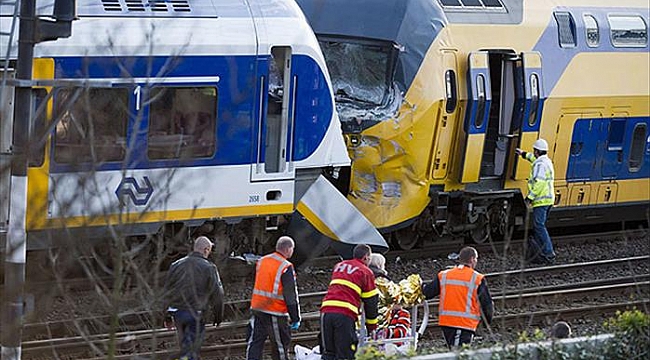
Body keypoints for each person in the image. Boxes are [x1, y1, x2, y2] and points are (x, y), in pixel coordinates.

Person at [163, 236, 224, 360]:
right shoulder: (209, 267)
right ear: (206, 250)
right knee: (190, 350)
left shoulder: (176, 265)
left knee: (185, 347)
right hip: (196, 313)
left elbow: (167, 292)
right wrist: (218, 315)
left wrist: (166, 316)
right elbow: (218, 294)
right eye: (210, 250)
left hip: (178, 313)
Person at [422, 246, 493, 349]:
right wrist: (487, 323)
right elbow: (487, 305)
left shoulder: (444, 275)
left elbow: (427, 293)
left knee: (454, 351)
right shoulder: (477, 278)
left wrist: (419, 286)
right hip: (463, 324)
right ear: (472, 259)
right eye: (476, 259)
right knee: (459, 354)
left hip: (446, 323)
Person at [320, 244, 379, 360]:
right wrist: (372, 327)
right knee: (345, 354)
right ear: (366, 257)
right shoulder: (365, 271)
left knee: (328, 353)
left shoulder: (339, 266)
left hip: (325, 312)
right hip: (344, 314)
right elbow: (371, 301)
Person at [246, 236, 301, 360]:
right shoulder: (285, 266)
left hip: (258, 308)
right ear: (287, 249)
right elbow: (290, 295)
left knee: (255, 342)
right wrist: (295, 317)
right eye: (292, 249)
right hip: (275, 311)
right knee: (280, 346)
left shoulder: (262, 261)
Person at [515, 138, 557, 264]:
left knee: (539, 226)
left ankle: (549, 253)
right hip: (548, 200)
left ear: (537, 151)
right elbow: (533, 159)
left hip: (541, 201)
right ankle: (541, 253)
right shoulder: (546, 161)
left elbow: (539, 183)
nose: (533, 153)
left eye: (534, 151)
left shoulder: (540, 165)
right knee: (539, 226)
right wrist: (523, 154)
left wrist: (529, 198)